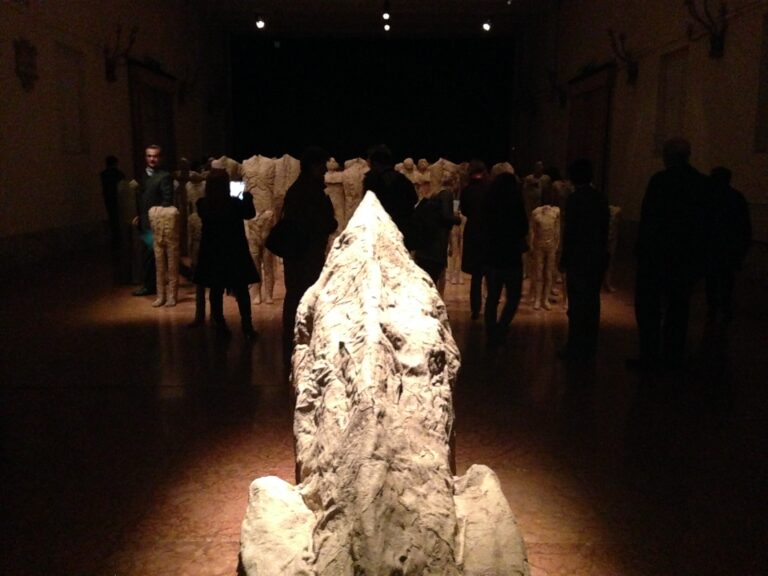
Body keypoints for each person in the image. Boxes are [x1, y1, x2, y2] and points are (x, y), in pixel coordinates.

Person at [628, 138, 711, 371]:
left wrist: (641, 251)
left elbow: (650, 219)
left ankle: (650, 356)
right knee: (678, 309)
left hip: (657, 257)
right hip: (685, 259)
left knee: (648, 309)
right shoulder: (700, 183)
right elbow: (704, 225)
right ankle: (673, 357)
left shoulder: (660, 181)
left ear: (668, 156)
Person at [281, 146, 338, 367]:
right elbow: (320, 221)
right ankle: (302, 340)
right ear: (313, 166)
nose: (325, 169)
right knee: (304, 294)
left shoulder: (297, 189)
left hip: (298, 251)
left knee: (295, 294)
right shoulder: (309, 191)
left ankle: (294, 339)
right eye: (322, 166)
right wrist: (329, 222)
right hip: (306, 252)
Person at [193, 168, 260, 340]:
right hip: (234, 251)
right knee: (241, 291)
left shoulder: (203, 204)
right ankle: (247, 327)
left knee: (216, 291)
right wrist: (244, 195)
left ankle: (220, 325)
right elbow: (250, 213)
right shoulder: (235, 203)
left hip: (213, 252)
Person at [559, 159, 609, 363]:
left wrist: (564, 259)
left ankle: (575, 347)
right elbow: (605, 230)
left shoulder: (575, 199)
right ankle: (589, 348)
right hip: (596, 259)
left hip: (578, 259)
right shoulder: (600, 199)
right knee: (592, 304)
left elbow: (571, 233)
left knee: (577, 305)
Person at [483, 172, 529, 347]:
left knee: (492, 298)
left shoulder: (490, 202)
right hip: (511, 258)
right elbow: (523, 228)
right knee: (513, 297)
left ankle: (491, 332)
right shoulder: (515, 203)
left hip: (492, 257)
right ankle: (501, 328)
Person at [705, 167, 752, 323]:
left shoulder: (708, 197)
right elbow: (745, 226)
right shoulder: (736, 198)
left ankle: (712, 309)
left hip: (712, 245)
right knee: (727, 279)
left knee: (711, 279)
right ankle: (725, 308)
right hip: (730, 246)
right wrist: (742, 249)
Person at [132, 145, 173, 296]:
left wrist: (155, 216)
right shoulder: (143, 175)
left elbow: (167, 201)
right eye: (149, 156)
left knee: (151, 257)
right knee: (146, 255)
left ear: (160, 158)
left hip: (155, 223)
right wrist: (139, 215)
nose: (152, 159)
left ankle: (150, 286)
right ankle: (149, 284)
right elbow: (143, 198)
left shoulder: (164, 176)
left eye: (155, 156)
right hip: (144, 221)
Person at [412, 163, 461, 292]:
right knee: (433, 280)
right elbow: (446, 216)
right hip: (436, 246)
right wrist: (457, 219)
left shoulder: (430, 197)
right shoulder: (445, 195)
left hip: (425, 246)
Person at [362, 144, 418, 244]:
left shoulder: (372, 180)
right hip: (399, 230)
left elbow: (367, 205)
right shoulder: (402, 180)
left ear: (374, 162)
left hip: (380, 231)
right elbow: (413, 199)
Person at [460, 160, 490, 319]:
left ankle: (475, 309)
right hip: (488, 231)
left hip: (473, 232)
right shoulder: (490, 189)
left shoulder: (467, 190)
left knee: (476, 276)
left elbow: (464, 210)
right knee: (489, 272)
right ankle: (490, 307)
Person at [100, 155, 125, 253]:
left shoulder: (103, 174)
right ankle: (119, 240)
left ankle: (114, 241)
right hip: (118, 200)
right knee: (119, 219)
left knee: (112, 219)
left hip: (108, 200)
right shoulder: (119, 174)